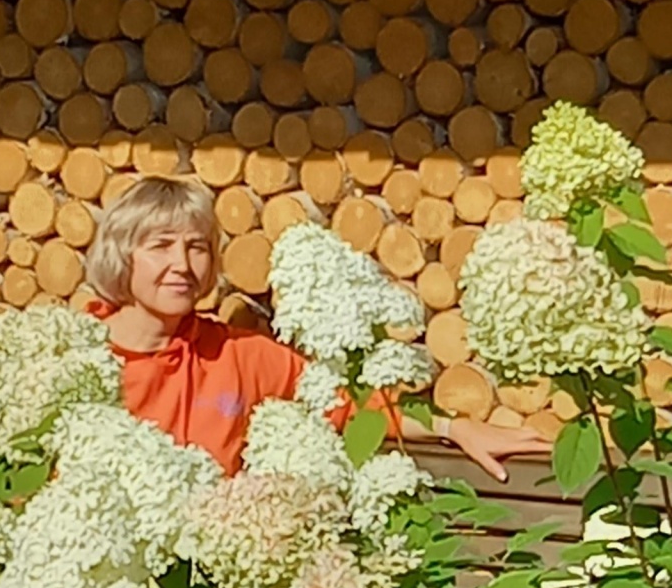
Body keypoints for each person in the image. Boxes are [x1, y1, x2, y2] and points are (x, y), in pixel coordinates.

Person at [85, 177, 549, 479]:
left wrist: (455, 427)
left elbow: (349, 406)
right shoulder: (74, 357)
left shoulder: (239, 356)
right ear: (122, 256)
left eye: (196, 248)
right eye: (161, 246)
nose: (182, 265)